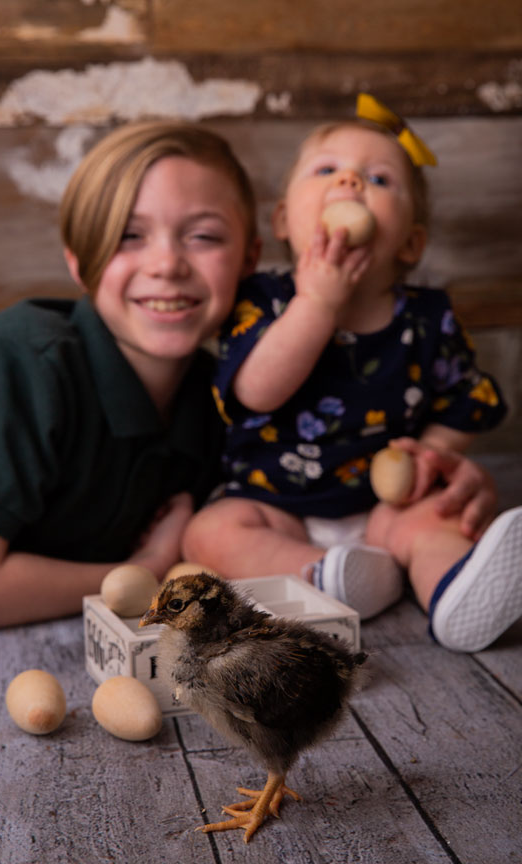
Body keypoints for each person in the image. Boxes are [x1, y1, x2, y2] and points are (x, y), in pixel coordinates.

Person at [182, 94, 522, 652]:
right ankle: (324, 576)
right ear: (286, 221)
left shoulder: (426, 316)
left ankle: (456, 594)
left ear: (411, 242)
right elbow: (256, 390)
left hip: (384, 506)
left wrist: (428, 453)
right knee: (211, 532)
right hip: (276, 506)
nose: (350, 182)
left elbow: (467, 400)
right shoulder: (263, 300)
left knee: (432, 523)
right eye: (326, 170)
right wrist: (316, 302)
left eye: (379, 178)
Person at [0, 122, 262, 631]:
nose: (166, 264)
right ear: (81, 261)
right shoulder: (24, 356)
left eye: (203, 236)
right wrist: (148, 570)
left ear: (249, 257)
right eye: (128, 236)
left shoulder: (225, 395)